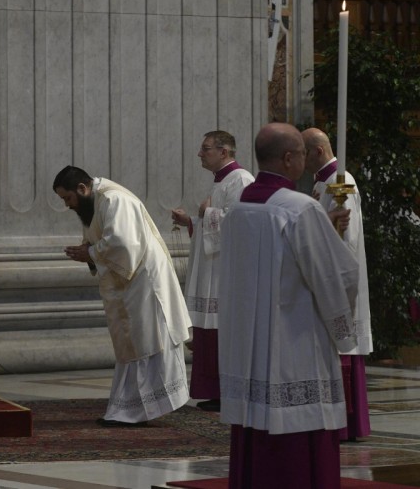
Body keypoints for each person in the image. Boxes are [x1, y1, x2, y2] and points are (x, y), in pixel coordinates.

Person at [218, 123, 359, 489]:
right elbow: (335, 278)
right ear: (289, 158)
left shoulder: (238, 208)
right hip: (293, 344)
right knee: (295, 442)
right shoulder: (299, 209)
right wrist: (343, 328)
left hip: (248, 347)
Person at [53, 166, 192, 427]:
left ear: (82, 189)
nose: (67, 205)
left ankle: (140, 409)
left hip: (144, 279)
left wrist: (91, 254)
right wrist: (88, 251)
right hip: (128, 280)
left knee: (146, 340)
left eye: (68, 198)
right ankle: (127, 408)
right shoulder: (95, 202)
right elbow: (101, 239)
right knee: (132, 343)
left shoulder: (115, 199)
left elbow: (124, 244)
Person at [171, 131, 254, 412]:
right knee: (208, 331)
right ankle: (214, 391)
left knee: (220, 330)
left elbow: (241, 223)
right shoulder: (223, 181)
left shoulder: (241, 180)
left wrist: (207, 214)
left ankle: (225, 392)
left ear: (225, 151)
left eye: (205, 148)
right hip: (212, 270)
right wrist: (192, 220)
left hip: (225, 273)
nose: (200, 154)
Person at [302, 127, 372, 442]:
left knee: (342, 342)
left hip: (338, 277)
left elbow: (348, 236)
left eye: (304, 152)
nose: (301, 160)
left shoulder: (342, 183)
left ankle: (346, 422)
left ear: (317, 151)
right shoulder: (322, 181)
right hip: (324, 272)